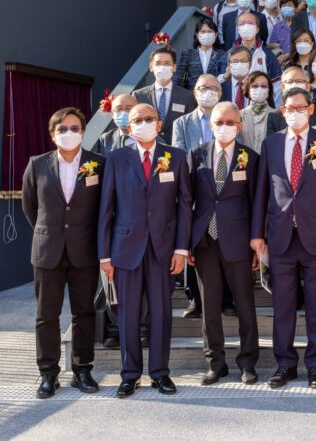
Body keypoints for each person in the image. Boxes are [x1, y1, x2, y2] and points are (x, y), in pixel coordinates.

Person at [251, 88, 316, 390]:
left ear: (311, 109)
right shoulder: (271, 144)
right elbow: (262, 192)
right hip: (280, 237)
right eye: (289, 108)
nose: (295, 112)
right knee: (283, 305)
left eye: (300, 107)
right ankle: (285, 365)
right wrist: (257, 234)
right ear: (282, 110)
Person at [98, 103, 191, 398]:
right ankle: (130, 374)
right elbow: (106, 210)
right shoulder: (115, 159)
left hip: (163, 249)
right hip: (125, 249)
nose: (143, 123)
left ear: (160, 124)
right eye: (137, 120)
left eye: (149, 119)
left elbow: (185, 205)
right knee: (127, 314)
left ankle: (160, 373)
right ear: (128, 127)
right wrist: (105, 255)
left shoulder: (175, 157)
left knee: (162, 312)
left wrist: (181, 248)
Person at [21, 107, 104, 399]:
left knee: (84, 312)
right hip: (48, 251)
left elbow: (103, 209)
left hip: (85, 250)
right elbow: (30, 206)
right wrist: (51, 232)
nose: (69, 133)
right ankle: (48, 373)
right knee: (47, 315)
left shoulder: (98, 164)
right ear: (52, 133)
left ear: (83, 131)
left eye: (74, 128)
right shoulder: (37, 164)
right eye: (62, 129)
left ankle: (82, 369)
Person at [188, 102, 261, 386]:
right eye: (219, 121)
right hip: (205, 240)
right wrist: (187, 243)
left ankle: (248, 362)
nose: (225, 126)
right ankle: (215, 363)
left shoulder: (250, 157)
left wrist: (257, 242)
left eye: (231, 122)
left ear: (239, 126)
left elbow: (257, 202)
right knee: (210, 306)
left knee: (245, 304)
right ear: (210, 124)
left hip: (239, 241)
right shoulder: (195, 155)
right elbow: (186, 201)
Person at [171, 74, 226, 318]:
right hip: (194, 189)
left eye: (213, 89)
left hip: (223, 190)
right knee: (193, 243)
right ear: (195, 93)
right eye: (203, 88)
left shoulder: (229, 119)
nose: (208, 92)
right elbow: (180, 155)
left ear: (220, 94)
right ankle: (194, 298)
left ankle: (226, 297)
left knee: (222, 246)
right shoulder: (182, 123)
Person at [133, 47, 196, 144]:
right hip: (148, 149)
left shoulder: (187, 96)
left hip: (177, 151)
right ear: (151, 67)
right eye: (158, 63)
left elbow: (190, 127)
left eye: (167, 63)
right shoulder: (138, 96)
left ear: (174, 67)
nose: (162, 67)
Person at [240, 71, 273, 152]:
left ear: (269, 90)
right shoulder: (239, 115)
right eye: (254, 86)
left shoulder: (277, 115)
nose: (259, 89)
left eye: (263, 86)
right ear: (248, 89)